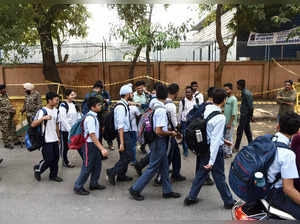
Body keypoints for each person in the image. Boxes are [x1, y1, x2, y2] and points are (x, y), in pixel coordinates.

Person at [184, 88, 235, 209]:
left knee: (201, 174)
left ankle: (191, 197)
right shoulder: (220, 118)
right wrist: (212, 161)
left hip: (203, 147)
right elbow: (215, 141)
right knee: (219, 176)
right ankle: (228, 201)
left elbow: (209, 132)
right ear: (224, 100)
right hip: (213, 151)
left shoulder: (207, 109)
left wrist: (224, 141)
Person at [129, 84, 181, 201]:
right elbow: (159, 131)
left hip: (155, 140)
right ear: (167, 95)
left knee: (164, 165)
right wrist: (171, 133)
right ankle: (135, 189)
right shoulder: (161, 110)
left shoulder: (153, 106)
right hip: (159, 141)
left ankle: (167, 191)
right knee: (153, 167)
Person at [266, 112, 300, 220]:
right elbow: (288, 189)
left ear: (278, 126)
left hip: (261, 187)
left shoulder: (268, 139)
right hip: (275, 194)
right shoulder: (288, 154)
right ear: (297, 131)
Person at [73, 96, 108, 196]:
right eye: (98, 105)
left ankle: (94, 183)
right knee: (87, 166)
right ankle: (78, 186)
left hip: (94, 144)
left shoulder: (93, 116)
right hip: (89, 145)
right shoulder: (90, 118)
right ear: (92, 107)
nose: (100, 106)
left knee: (97, 164)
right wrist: (102, 148)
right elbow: (92, 136)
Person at [106, 84, 135, 185]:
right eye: (131, 93)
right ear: (127, 94)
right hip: (123, 134)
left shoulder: (124, 104)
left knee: (124, 156)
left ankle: (121, 175)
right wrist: (122, 142)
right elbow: (120, 126)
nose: (132, 94)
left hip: (126, 133)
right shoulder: (121, 107)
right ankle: (112, 172)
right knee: (128, 155)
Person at [32, 92, 63, 183]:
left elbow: (57, 124)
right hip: (45, 139)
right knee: (49, 159)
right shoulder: (42, 111)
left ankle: (53, 176)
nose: (58, 101)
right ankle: (38, 170)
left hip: (54, 138)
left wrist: (58, 137)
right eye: (56, 100)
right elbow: (33, 124)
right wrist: (43, 118)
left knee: (56, 158)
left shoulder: (56, 111)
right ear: (50, 100)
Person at [58, 89, 81, 168]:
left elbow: (78, 115)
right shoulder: (63, 105)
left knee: (78, 144)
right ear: (67, 96)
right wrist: (70, 130)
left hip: (74, 129)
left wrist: (78, 126)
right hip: (65, 130)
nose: (73, 96)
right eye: (71, 95)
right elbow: (63, 119)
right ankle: (65, 161)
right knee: (65, 147)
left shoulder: (74, 104)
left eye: (74, 94)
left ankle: (85, 159)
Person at [234, 80, 253, 152]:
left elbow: (251, 106)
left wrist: (251, 116)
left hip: (245, 115)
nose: (237, 87)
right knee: (247, 131)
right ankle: (252, 146)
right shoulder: (244, 92)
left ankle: (236, 147)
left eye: (237, 85)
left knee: (240, 131)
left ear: (240, 85)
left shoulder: (246, 93)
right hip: (244, 114)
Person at [0, 84, 21, 149]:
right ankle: (6, 143)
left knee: (12, 127)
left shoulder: (5, 95)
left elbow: (8, 103)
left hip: (10, 115)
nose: (5, 90)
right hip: (3, 117)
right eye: (3, 89)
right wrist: (7, 110)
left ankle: (15, 140)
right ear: (0, 90)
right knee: (5, 130)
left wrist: (12, 109)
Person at [178, 86, 197, 157]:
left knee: (193, 137)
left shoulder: (196, 100)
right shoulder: (182, 101)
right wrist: (179, 122)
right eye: (186, 92)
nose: (187, 94)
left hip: (193, 122)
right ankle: (185, 150)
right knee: (185, 137)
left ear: (192, 92)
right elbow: (180, 113)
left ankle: (193, 148)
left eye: (189, 92)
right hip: (185, 123)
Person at [223, 83, 238, 159]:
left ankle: (229, 153)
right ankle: (226, 152)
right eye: (225, 90)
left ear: (231, 90)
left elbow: (234, 113)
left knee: (229, 137)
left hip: (230, 123)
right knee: (226, 137)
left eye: (227, 89)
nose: (226, 91)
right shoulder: (227, 98)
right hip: (226, 122)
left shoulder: (233, 99)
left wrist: (230, 123)